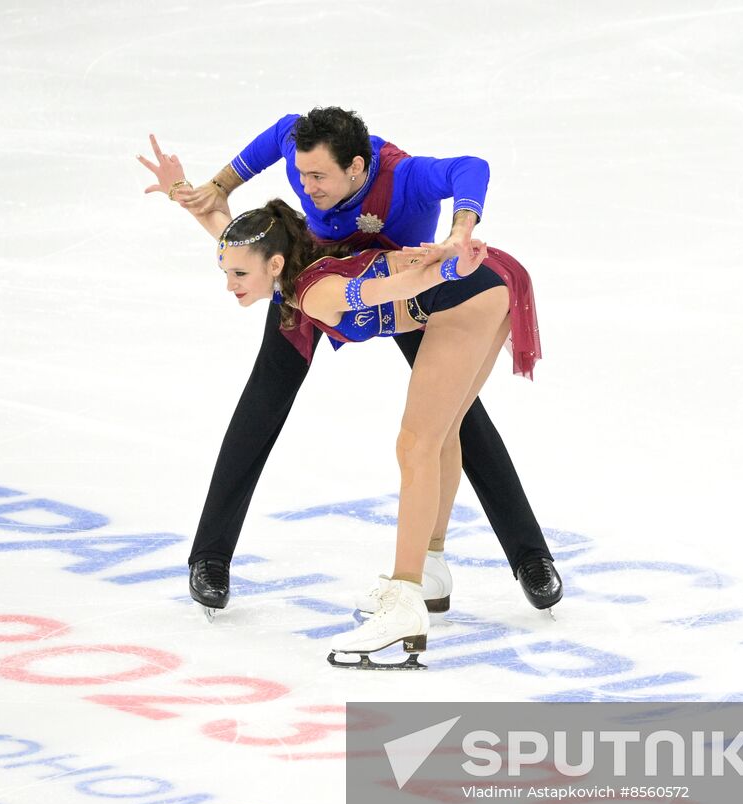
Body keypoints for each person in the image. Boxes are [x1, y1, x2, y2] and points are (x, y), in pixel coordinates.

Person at [139, 142, 543, 669]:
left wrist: (448, 271)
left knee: (416, 444)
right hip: (481, 282)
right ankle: (430, 569)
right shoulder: (275, 266)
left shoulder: (314, 293)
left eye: (237, 276)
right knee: (441, 435)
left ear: (274, 266)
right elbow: (228, 234)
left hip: (465, 289)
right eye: (228, 273)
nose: (230, 285)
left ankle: (405, 600)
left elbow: (389, 288)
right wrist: (180, 191)